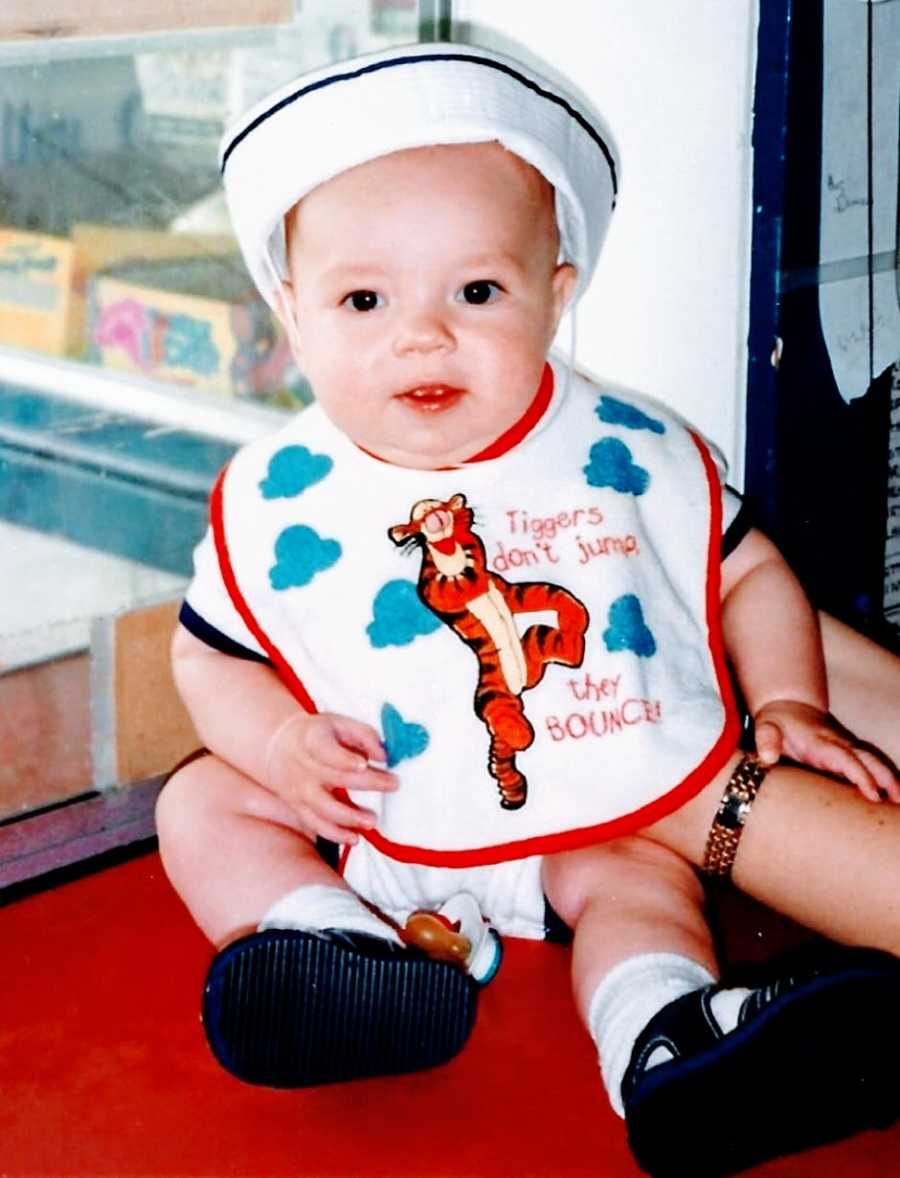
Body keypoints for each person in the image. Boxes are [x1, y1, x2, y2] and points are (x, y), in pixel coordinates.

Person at [155, 42, 900, 1176]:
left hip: (599, 811)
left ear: (556, 295)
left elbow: (746, 570)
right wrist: (277, 742)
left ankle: (665, 1039)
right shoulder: (279, 496)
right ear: (288, 310)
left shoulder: (621, 452)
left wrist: (791, 698)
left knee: (637, 886)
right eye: (363, 297)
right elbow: (208, 656)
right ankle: (337, 947)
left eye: (478, 290)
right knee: (203, 802)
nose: (422, 333)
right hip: (364, 799)